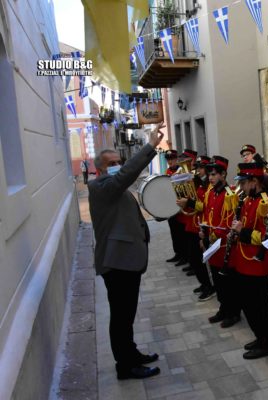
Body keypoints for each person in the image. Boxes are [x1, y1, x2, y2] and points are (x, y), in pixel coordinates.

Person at [88, 123, 164, 380]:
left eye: (119, 162)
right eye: (112, 163)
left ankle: (131, 354)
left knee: (126, 315)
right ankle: (125, 366)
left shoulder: (115, 187)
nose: (118, 166)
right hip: (117, 263)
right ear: (100, 169)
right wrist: (150, 145)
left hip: (127, 260)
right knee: (121, 317)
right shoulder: (101, 188)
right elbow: (125, 176)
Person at [230, 162, 268, 359]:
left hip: (257, 263)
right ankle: (259, 336)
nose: (240, 187)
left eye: (244, 182)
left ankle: (267, 343)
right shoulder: (248, 199)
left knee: (259, 306)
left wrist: (242, 231)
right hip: (243, 260)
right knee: (247, 303)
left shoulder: (265, 202)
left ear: (255, 181)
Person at [202, 156, 242, 328]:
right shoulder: (210, 193)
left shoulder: (230, 194)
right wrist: (203, 231)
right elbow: (206, 214)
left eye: (213, 174)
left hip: (225, 247)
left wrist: (215, 233)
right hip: (213, 247)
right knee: (218, 282)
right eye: (209, 174)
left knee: (229, 284)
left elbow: (230, 222)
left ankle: (233, 313)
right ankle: (223, 309)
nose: (210, 178)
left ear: (223, 174)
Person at [176, 155, 215, 300]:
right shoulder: (198, 183)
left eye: (201, 168)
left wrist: (189, 203)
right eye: (197, 167)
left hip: (201, 226)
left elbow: (205, 206)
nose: (198, 170)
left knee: (199, 259)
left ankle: (209, 286)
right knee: (193, 258)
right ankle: (204, 284)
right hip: (192, 224)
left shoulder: (210, 186)